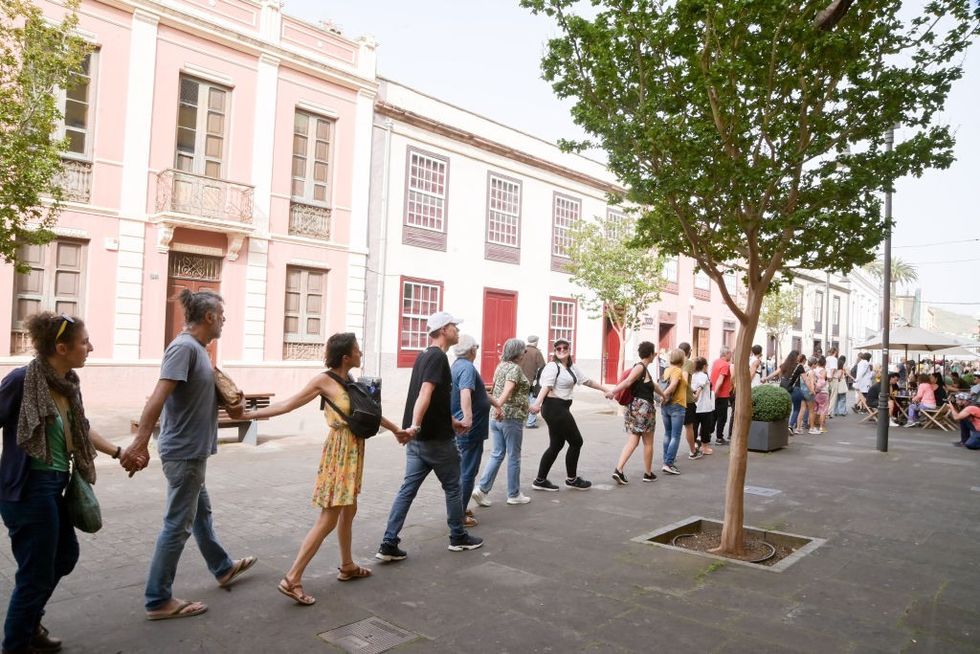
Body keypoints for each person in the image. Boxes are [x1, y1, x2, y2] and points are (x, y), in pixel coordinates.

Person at [1, 313, 142, 653]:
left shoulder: (67, 383)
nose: (90, 347)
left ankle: (30, 621)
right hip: (28, 489)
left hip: (55, 484)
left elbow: (81, 427)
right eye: (84, 342)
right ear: (61, 348)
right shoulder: (22, 381)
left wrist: (119, 452)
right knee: (35, 574)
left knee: (64, 556)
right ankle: (17, 642)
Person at [241, 333, 410, 606]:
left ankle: (347, 566)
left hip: (354, 449)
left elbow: (369, 414)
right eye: (357, 350)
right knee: (329, 516)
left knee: (349, 509)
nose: (361, 353)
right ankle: (292, 578)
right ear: (346, 357)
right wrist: (250, 415)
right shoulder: (324, 380)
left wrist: (396, 431)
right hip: (340, 451)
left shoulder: (349, 381)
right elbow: (288, 404)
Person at [123, 289, 256, 621]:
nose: (224, 321)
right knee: (177, 525)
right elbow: (158, 396)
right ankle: (157, 599)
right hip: (183, 455)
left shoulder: (197, 350)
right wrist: (139, 443)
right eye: (222, 316)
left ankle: (223, 567)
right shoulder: (183, 348)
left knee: (201, 514)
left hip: (191, 454)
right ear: (209, 317)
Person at [376, 311, 483, 562]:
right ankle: (458, 537)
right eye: (454, 326)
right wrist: (414, 425)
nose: (457, 330)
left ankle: (388, 542)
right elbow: (424, 393)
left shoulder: (424, 356)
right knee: (453, 487)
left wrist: (451, 420)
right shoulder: (437, 358)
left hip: (420, 440)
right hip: (435, 440)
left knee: (407, 490)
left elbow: (434, 400)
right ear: (444, 330)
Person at [530, 338, 611, 491]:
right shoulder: (552, 366)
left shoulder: (571, 367)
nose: (561, 350)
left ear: (569, 349)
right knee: (576, 442)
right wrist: (537, 404)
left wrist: (605, 389)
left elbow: (587, 381)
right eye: (558, 348)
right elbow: (546, 386)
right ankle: (572, 479)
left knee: (556, 445)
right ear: (554, 351)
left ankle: (540, 480)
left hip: (561, 408)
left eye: (564, 347)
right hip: (555, 408)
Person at [472, 338, 532, 507]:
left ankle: (481, 489)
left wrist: (496, 408)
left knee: (497, 453)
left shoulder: (501, 366)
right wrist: (499, 406)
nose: (525, 354)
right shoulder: (514, 368)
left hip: (496, 418)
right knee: (514, 456)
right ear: (518, 352)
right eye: (524, 351)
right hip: (510, 417)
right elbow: (508, 389)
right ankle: (513, 494)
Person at [451, 334, 495, 527]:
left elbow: (478, 392)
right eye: (476, 347)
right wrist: (467, 420)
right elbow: (466, 393)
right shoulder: (467, 368)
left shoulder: (457, 365)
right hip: (470, 429)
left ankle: (459, 506)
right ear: (472, 350)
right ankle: (459, 514)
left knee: (464, 470)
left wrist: (496, 404)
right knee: (468, 471)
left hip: (465, 428)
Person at [607, 341, 665, 484]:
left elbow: (654, 385)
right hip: (644, 409)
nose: (655, 355)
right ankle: (648, 473)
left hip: (635, 408)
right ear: (650, 354)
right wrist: (612, 392)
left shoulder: (644, 369)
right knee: (648, 443)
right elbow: (627, 382)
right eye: (654, 353)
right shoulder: (640, 368)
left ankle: (619, 470)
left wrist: (663, 395)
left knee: (633, 441)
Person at [659, 349, 688, 475]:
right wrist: (663, 395)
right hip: (677, 406)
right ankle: (669, 463)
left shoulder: (667, 370)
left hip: (665, 406)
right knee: (675, 436)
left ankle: (667, 460)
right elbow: (674, 384)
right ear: (681, 359)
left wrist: (662, 397)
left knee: (668, 434)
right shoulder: (677, 370)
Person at [678, 343, 701, 460]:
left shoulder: (675, 362)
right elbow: (685, 380)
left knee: (673, 430)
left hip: (676, 399)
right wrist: (692, 392)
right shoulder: (688, 363)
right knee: (689, 427)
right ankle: (693, 451)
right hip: (687, 400)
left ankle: (669, 457)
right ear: (689, 351)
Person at [690, 357, 716, 456]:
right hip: (704, 406)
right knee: (705, 428)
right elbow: (700, 387)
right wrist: (697, 395)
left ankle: (693, 446)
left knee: (694, 428)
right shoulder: (703, 376)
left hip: (694, 406)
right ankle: (704, 447)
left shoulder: (692, 376)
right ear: (704, 366)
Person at [709, 346, 733, 445]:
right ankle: (719, 438)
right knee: (722, 417)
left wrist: (713, 393)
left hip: (713, 392)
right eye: (730, 353)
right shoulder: (725, 365)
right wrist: (717, 393)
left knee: (713, 416)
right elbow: (720, 380)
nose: (731, 355)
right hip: (721, 395)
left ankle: (707, 435)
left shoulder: (715, 362)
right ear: (726, 354)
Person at [520, 335, 546, 429]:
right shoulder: (537, 352)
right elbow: (543, 366)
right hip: (532, 381)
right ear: (536, 342)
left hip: (520, 380)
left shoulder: (522, 350)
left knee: (522, 400)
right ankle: (530, 423)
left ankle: (521, 420)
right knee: (534, 400)